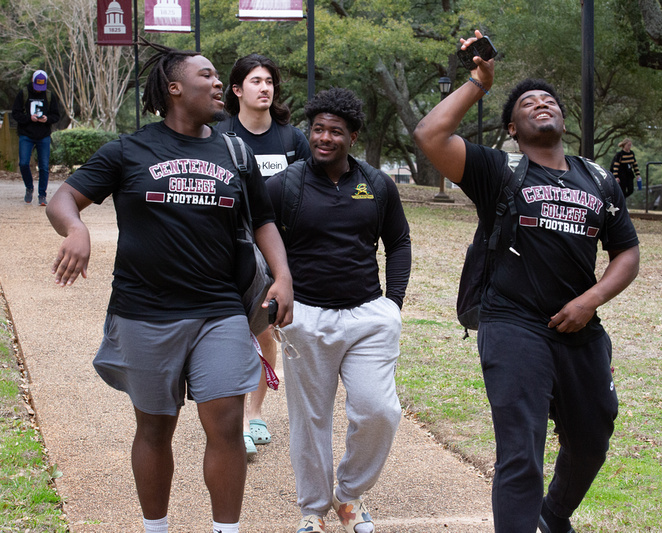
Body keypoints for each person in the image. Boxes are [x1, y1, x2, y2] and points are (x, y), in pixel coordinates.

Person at [45, 42, 293, 533]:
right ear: (175, 88)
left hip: (218, 309)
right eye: (208, 75)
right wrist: (76, 230)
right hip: (144, 310)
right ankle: (154, 528)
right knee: (155, 426)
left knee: (224, 423)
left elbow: (263, 221)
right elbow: (63, 200)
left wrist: (282, 276)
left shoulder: (233, 151)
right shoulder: (129, 149)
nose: (219, 83)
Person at [413, 31, 640, 533]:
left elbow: (627, 252)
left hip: (579, 329)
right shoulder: (500, 170)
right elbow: (430, 134)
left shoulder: (598, 180)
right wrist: (480, 81)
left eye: (550, 101)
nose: (542, 104)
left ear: (563, 120)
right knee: (521, 449)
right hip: (512, 323)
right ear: (512, 129)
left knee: (592, 435)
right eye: (529, 103)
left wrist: (592, 299)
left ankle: (553, 516)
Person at [266, 87, 411, 533]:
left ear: (353, 136)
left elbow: (399, 242)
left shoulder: (378, 184)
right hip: (306, 317)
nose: (324, 137)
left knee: (379, 410)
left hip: (367, 315)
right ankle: (313, 508)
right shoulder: (284, 184)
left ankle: (349, 494)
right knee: (310, 419)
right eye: (317, 129)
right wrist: (273, 300)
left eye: (335, 131)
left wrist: (394, 302)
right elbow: (262, 243)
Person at [218, 53, 310, 457]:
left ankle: (255, 413)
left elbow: (312, 190)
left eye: (269, 81)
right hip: (230, 250)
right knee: (231, 334)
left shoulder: (293, 140)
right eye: (255, 81)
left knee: (264, 331)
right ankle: (234, 421)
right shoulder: (219, 136)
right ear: (237, 90)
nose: (265, 87)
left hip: (279, 251)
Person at [12, 69, 61, 206]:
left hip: (43, 136)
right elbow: (15, 113)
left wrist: (47, 119)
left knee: (44, 167)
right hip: (26, 134)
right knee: (23, 163)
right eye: (37, 86)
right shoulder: (24, 93)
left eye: (42, 87)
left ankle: (42, 195)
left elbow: (56, 115)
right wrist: (29, 118)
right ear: (32, 82)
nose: (39, 90)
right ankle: (29, 187)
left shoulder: (50, 96)